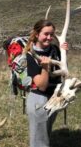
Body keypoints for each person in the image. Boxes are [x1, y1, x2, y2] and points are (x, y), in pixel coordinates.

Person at [24, 19, 68, 147]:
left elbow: (63, 72)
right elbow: (42, 86)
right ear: (37, 34)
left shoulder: (54, 49)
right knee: (39, 140)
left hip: (54, 96)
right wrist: (44, 67)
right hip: (39, 100)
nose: (49, 37)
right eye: (46, 34)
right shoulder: (30, 55)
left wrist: (64, 52)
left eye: (52, 34)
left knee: (45, 133)